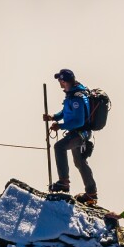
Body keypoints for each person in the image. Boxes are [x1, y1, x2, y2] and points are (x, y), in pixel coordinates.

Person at [44, 68, 98, 204]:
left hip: (80, 133)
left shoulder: (77, 98)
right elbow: (66, 111)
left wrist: (60, 126)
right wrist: (54, 117)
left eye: (60, 80)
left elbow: (79, 121)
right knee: (79, 162)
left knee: (59, 147)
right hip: (79, 133)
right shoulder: (72, 94)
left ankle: (64, 182)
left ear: (64, 81)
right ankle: (91, 193)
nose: (59, 83)